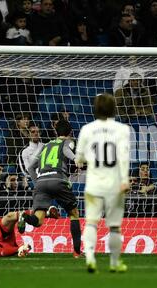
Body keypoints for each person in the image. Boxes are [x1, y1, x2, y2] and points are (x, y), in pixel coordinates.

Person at [75, 93, 130, 273]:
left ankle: (90, 258)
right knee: (114, 226)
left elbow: (79, 158)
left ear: (95, 109)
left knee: (91, 222)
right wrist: (124, 180)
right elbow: (123, 157)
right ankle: (114, 262)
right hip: (115, 185)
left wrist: (85, 158)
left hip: (94, 185)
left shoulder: (86, 129)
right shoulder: (122, 129)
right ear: (113, 108)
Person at [20, 119, 82, 258]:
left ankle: (24, 216)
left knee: (38, 220)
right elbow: (66, 149)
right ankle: (77, 252)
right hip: (58, 180)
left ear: (55, 131)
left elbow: (30, 167)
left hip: (41, 182)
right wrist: (75, 158)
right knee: (73, 214)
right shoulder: (68, 141)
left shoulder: (45, 145)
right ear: (70, 132)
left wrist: (37, 183)